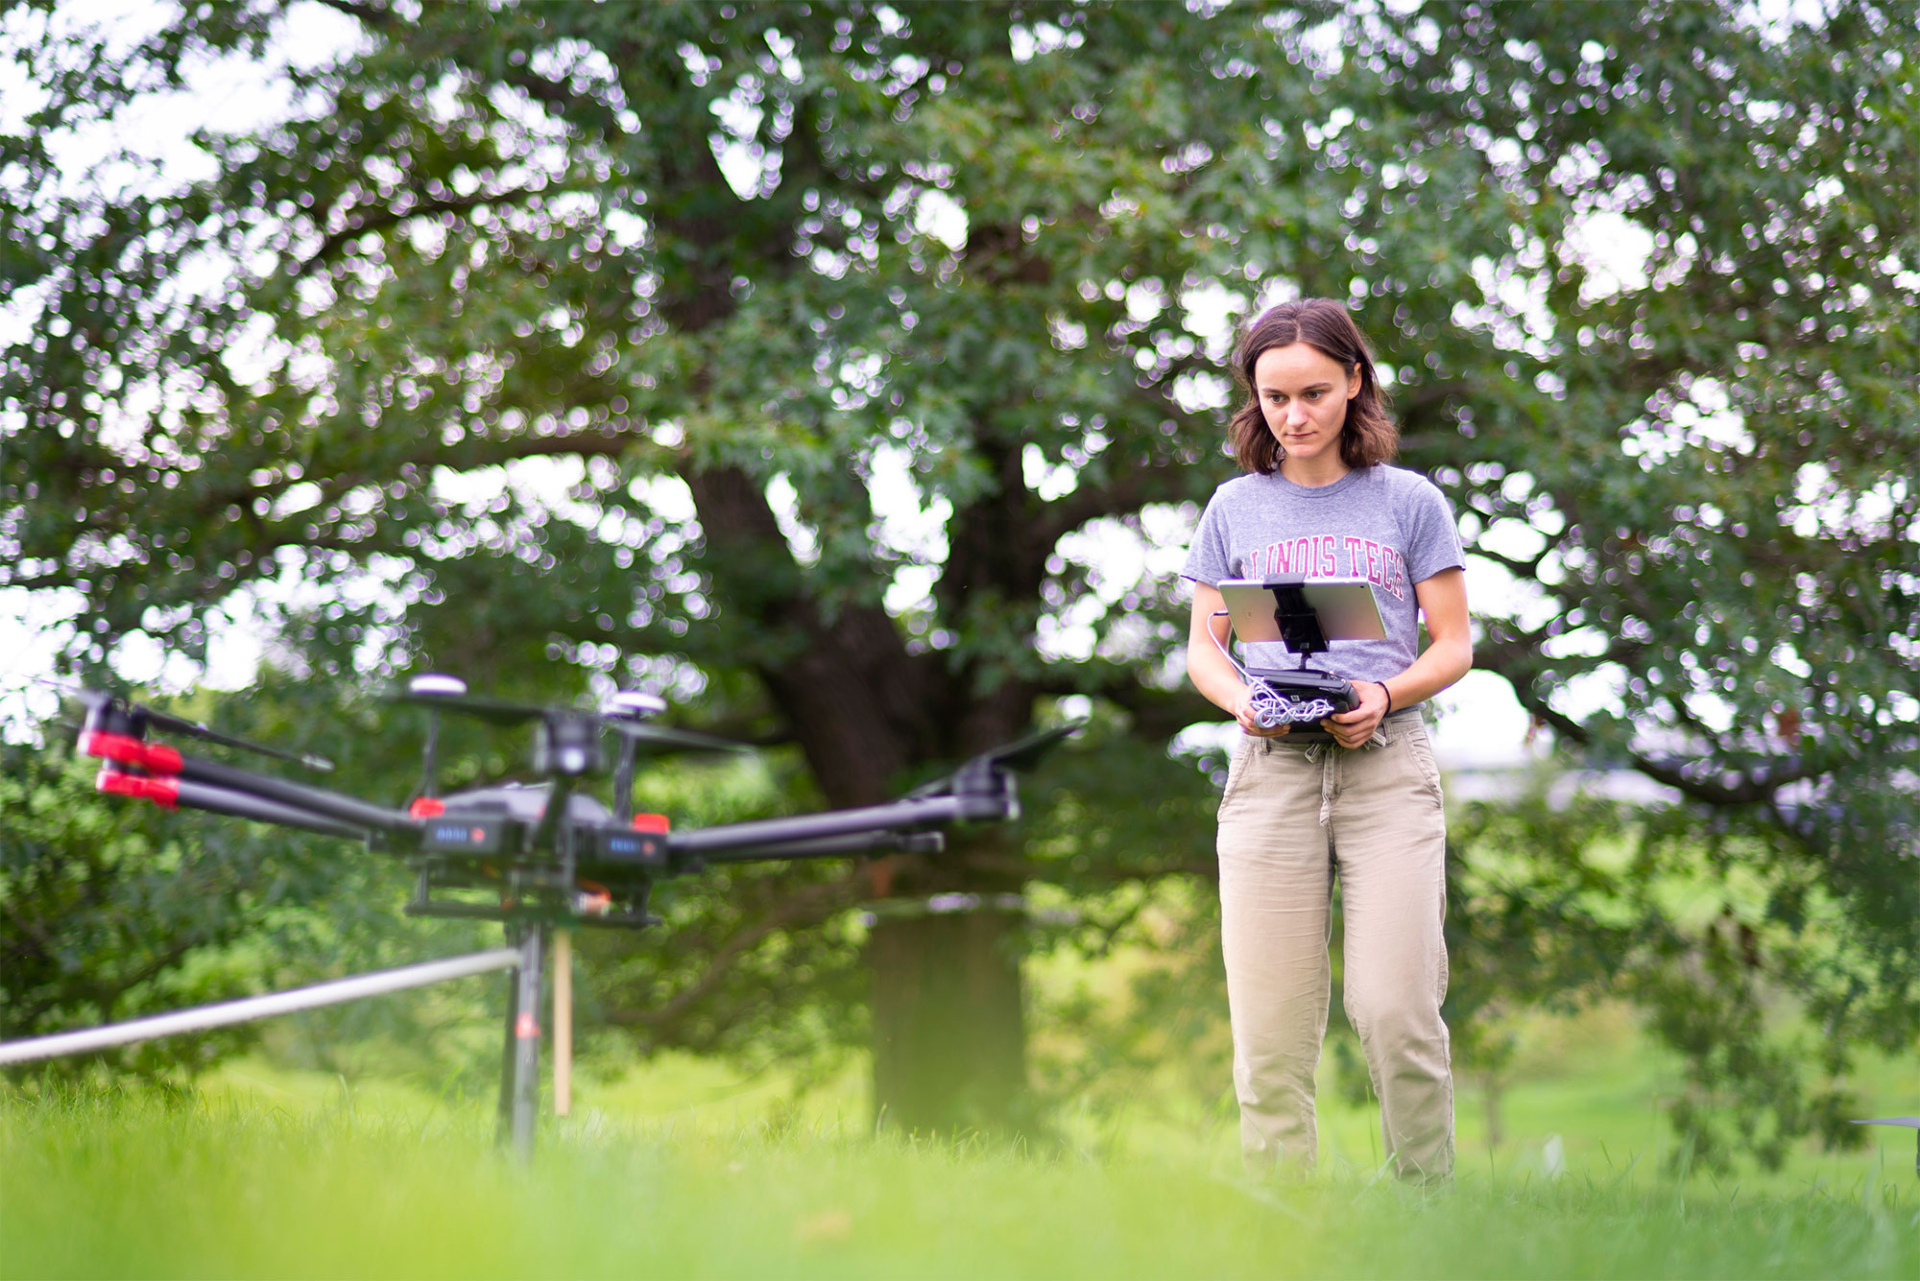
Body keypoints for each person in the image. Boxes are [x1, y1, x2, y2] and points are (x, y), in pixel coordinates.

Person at [1182, 297, 1471, 1184]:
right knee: (1269, 1027)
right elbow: (1204, 648)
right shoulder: (1234, 507)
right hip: (1272, 772)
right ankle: (1282, 1216)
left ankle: (1428, 1209)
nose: (1294, 415)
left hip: (1385, 770)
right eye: (1274, 397)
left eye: (1313, 393)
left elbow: (1454, 645)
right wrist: (1243, 700)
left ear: (1353, 381)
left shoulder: (1409, 502)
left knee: (1395, 1010)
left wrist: (1382, 693)